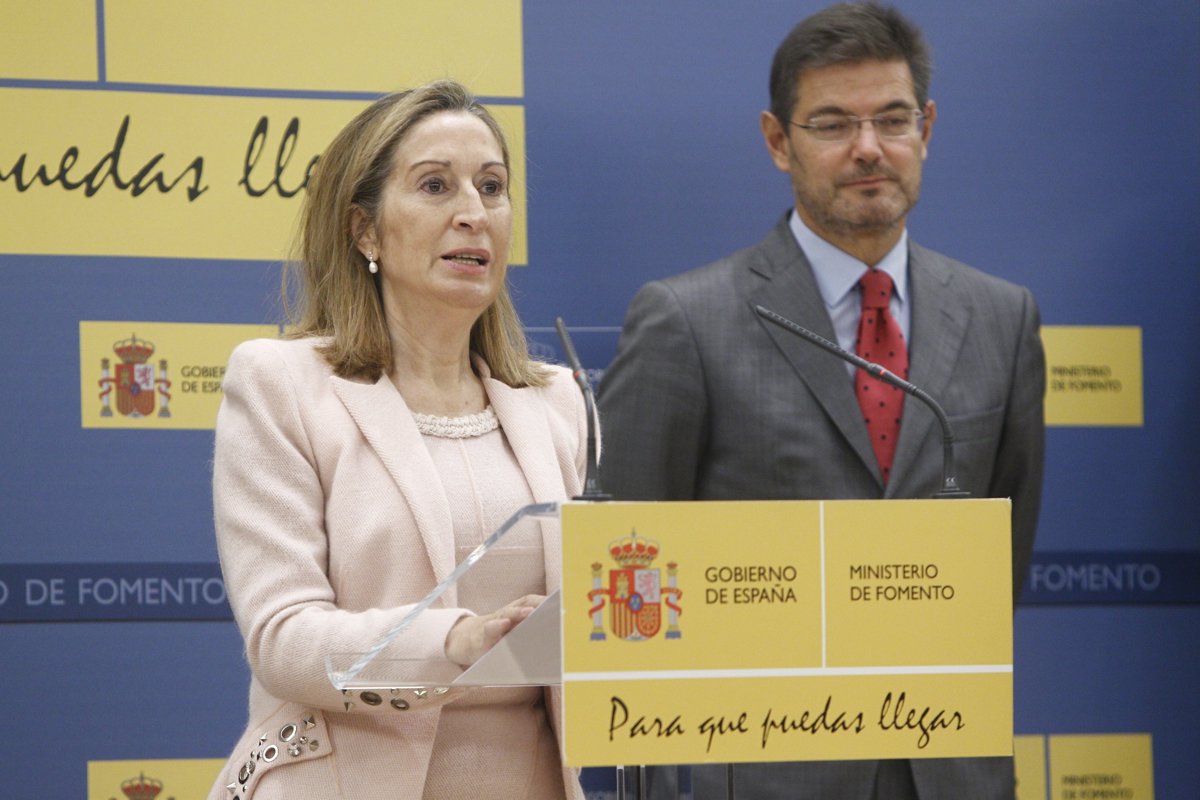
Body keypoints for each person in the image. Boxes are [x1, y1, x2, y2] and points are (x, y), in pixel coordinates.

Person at [598, 3, 1044, 799]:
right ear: (779, 141)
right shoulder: (688, 319)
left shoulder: (1002, 318)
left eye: (893, 120)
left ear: (927, 128)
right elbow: (627, 567)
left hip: (949, 769)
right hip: (760, 773)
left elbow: (999, 565)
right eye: (833, 124)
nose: (869, 148)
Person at [208, 80, 586, 800]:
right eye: (436, 186)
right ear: (366, 231)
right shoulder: (282, 385)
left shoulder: (558, 401)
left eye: (492, 187)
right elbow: (284, 640)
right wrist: (457, 642)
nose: (473, 213)